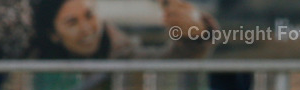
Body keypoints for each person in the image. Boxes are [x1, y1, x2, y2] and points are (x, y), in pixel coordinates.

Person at [32, 0, 214, 59]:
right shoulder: (30, 52)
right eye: (72, 22)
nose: (87, 29)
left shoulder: (122, 48)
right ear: (53, 34)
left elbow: (169, 59)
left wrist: (195, 35)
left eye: (89, 15)